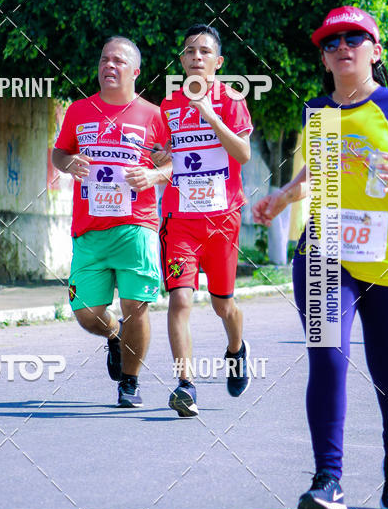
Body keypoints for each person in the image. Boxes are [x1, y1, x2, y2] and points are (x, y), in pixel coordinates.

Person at [253, 6, 388, 509]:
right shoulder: (317, 111)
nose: (342, 47)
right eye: (331, 42)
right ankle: (329, 479)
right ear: (324, 59)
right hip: (324, 253)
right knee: (326, 356)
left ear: (375, 50)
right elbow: (315, 175)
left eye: (354, 38)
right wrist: (281, 197)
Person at [52, 36, 170, 407]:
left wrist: (153, 175)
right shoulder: (79, 111)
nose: (109, 66)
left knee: (137, 305)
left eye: (118, 61)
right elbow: (59, 153)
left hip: (137, 225)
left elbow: (176, 163)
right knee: (86, 313)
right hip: (89, 230)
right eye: (105, 59)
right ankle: (115, 334)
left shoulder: (154, 115)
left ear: (135, 71)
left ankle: (130, 383)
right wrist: (68, 163)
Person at [153, 24, 253, 417]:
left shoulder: (231, 100)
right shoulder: (168, 106)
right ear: (181, 60)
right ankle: (186, 385)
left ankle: (236, 350)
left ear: (218, 62)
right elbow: (162, 157)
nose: (197, 57)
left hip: (223, 220)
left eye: (205, 51)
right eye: (190, 51)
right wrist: (159, 157)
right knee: (180, 298)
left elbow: (243, 153)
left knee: (223, 304)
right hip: (180, 220)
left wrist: (210, 115)